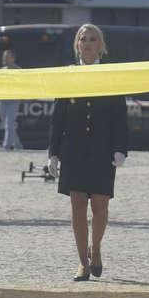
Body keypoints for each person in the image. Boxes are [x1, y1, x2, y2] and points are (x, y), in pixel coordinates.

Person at [48, 24, 129, 282]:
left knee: (100, 207)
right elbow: (58, 117)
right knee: (77, 206)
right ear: (77, 45)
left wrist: (120, 149)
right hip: (73, 151)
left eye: (92, 39)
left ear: (100, 45)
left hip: (102, 150)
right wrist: (53, 153)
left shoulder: (111, 74)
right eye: (83, 39)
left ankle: (97, 249)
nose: (87, 43)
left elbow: (120, 116)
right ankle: (83, 261)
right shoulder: (68, 75)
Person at [0, 48, 24, 150]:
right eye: (5, 58)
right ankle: (18, 145)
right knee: (8, 125)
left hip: (14, 101)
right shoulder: (1, 71)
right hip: (3, 101)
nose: (6, 60)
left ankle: (7, 146)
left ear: (13, 59)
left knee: (9, 124)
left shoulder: (19, 71)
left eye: (8, 57)